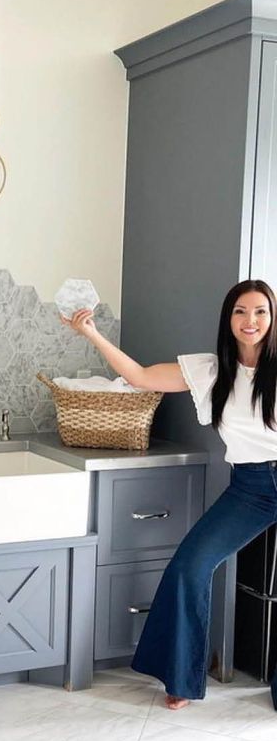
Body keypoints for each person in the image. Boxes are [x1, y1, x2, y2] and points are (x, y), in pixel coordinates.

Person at [62, 279, 277, 711]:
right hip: (251, 487)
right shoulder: (211, 370)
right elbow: (139, 377)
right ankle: (181, 676)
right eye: (240, 311)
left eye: (259, 312)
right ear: (228, 319)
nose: (249, 321)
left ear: (272, 318)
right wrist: (92, 333)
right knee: (189, 567)